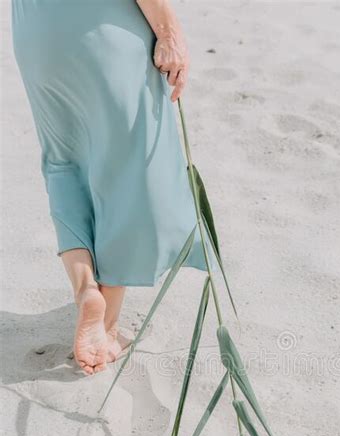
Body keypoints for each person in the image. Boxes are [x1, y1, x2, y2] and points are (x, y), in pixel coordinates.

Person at [12, 0, 211, 375]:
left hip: (36, 31)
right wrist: (169, 32)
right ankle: (107, 326)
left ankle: (86, 286)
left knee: (62, 164)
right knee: (124, 169)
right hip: (103, 27)